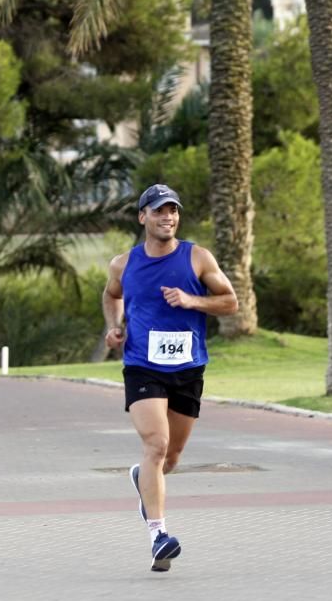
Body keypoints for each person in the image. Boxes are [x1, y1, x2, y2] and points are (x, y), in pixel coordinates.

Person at [102, 183, 239, 572]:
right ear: (143, 217)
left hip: (189, 368)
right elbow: (111, 295)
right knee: (157, 445)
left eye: (173, 211)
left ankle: (141, 479)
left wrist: (193, 300)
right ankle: (159, 536)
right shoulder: (123, 264)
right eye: (159, 211)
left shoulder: (197, 258)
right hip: (143, 366)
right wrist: (114, 327)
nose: (168, 217)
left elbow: (231, 302)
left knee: (171, 458)